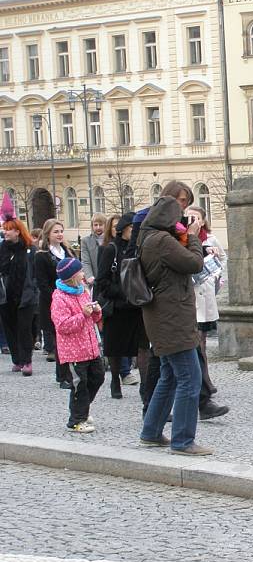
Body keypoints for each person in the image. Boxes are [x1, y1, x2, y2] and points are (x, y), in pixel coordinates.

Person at [138, 193, 211, 455]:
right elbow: (194, 262)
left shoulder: (148, 238)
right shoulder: (162, 241)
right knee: (190, 379)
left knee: (168, 377)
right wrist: (192, 236)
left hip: (163, 318)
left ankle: (151, 432)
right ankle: (182, 440)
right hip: (172, 320)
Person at [95, 212, 150, 399]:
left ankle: (145, 386)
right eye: (132, 228)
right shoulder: (111, 249)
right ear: (123, 230)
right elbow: (102, 281)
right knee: (115, 347)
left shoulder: (140, 248)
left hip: (138, 306)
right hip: (118, 307)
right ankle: (115, 380)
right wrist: (122, 292)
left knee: (143, 346)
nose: (135, 232)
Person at [50, 257, 104, 433]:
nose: (83, 274)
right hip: (74, 352)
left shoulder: (83, 292)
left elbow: (93, 319)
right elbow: (63, 325)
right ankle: (76, 421)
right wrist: (83, 314)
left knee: (98, 377)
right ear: (72, 275)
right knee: (79, 385)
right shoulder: (59, 297)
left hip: (90, 348)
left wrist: (96, 312)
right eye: (80, 271)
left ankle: (82, 409)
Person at [186, 205, 227, 410]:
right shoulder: (183, 239)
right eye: (189, 217)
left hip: (207, 291)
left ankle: (205, 379)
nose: (193, 220)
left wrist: (218, 278)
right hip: (191, 295)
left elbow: (223, 259)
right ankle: (203, 381)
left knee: (202, 338)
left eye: (196, 217)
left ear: (202, 220)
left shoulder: (210, 239)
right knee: (195, 340)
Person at [0, 196, 39, 376]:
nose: (5, 233)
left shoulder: (29, 249)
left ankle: (27, 360)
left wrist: (33, 292)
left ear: (17, 231)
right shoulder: (3, 250)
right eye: (4, 229)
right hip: (7, 295)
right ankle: (17, 359)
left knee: (24, 329)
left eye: (8, 230)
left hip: (25, 295)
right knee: (10, 328)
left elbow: (33, 273)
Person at [35, 219, 75, 389]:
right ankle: (63, 375)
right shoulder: (42, 255)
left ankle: (70, 372)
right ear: (48, 234)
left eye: (61, 231)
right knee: (60, 341)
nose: (59, 234)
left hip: (70, 300)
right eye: (55, 232)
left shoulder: (67, 251)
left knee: (69, 338)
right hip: (53, 302)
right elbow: (42, 283)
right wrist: (58, 297)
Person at [80, 212, 107, 287]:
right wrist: (89, 276)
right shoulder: (86, 241)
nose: (98, 227)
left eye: (101, 225)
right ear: (92, 226)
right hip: (94, 280)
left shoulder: (110, 240)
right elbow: (85, 261)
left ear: (105, 225)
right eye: (95, 225)